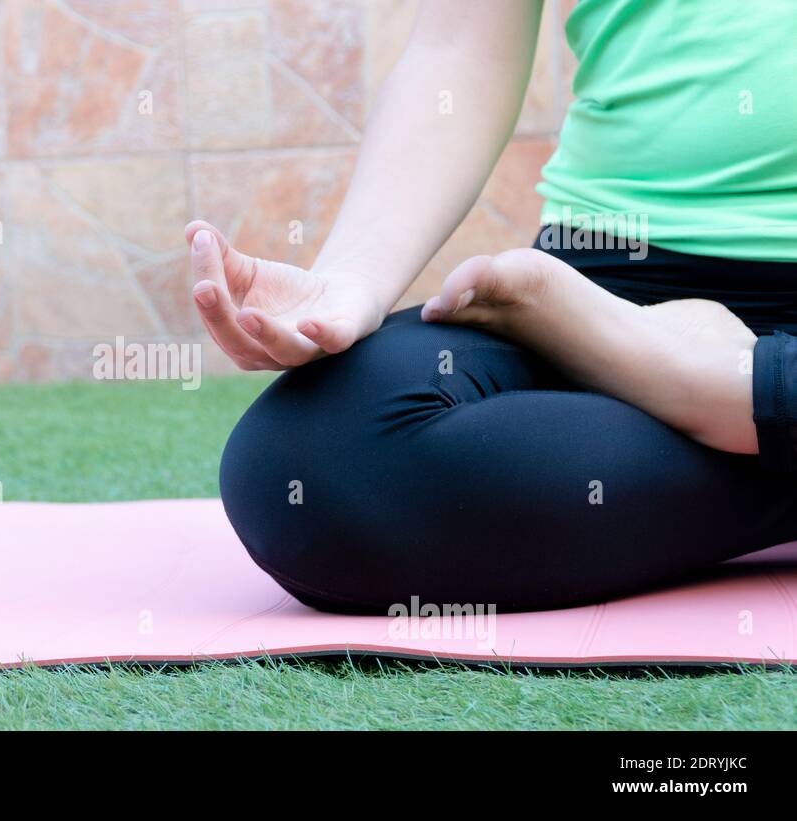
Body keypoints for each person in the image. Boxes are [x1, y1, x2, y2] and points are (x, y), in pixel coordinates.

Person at [189, 0, 797, 612]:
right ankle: (759, 404)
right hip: (607, 288)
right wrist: (352, 277)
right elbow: (457, 51)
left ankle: (732, 391)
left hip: (623, 328)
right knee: (316, 464)